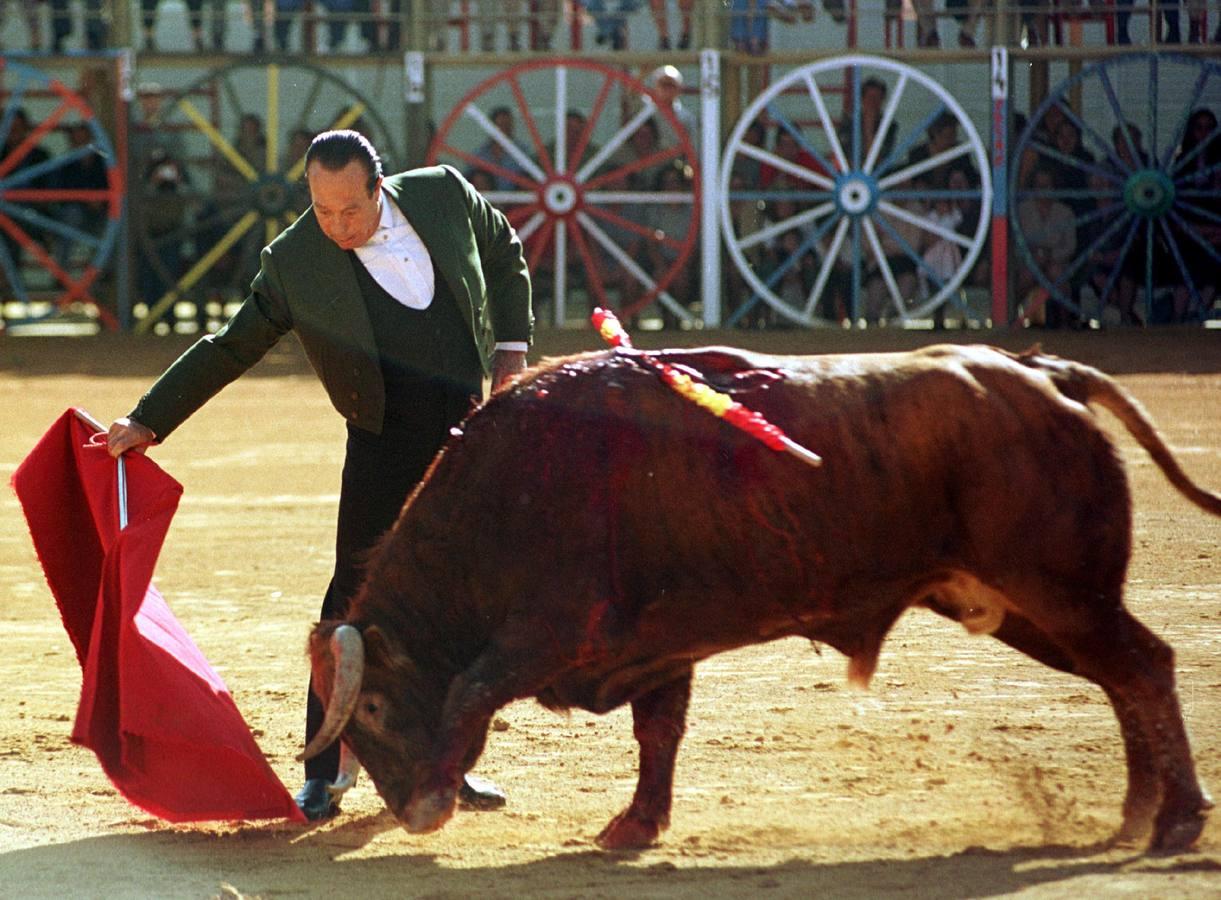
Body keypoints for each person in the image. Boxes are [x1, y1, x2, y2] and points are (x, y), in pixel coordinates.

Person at [106, 129, 533, 822]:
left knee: (458, 600)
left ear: (379, 188)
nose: (334, 225)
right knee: (350, 601)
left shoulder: (444, 196)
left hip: (465, 435)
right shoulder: (295, 260)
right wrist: (148, 419)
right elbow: (231, 344)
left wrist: (511, 348)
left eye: (349, 211)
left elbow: (503, 249)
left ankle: (444, 765)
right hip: (382, 439)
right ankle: (325, 768)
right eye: (320, 209)